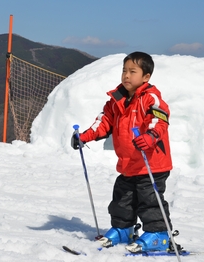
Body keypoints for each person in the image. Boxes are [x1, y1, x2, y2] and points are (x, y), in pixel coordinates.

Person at [71, 51, 174, 253]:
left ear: (146, 77)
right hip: (128, 164)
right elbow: (104, 123)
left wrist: (151, 136)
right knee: (121, 200)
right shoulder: (115, 101)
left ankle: (159, 235)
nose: (126, 75)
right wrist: (84, 136)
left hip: (152, 164)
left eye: (132, 71)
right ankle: (123, 229)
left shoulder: (150, 98)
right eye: (124, 71)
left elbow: (159, 119)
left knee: (149, 201)